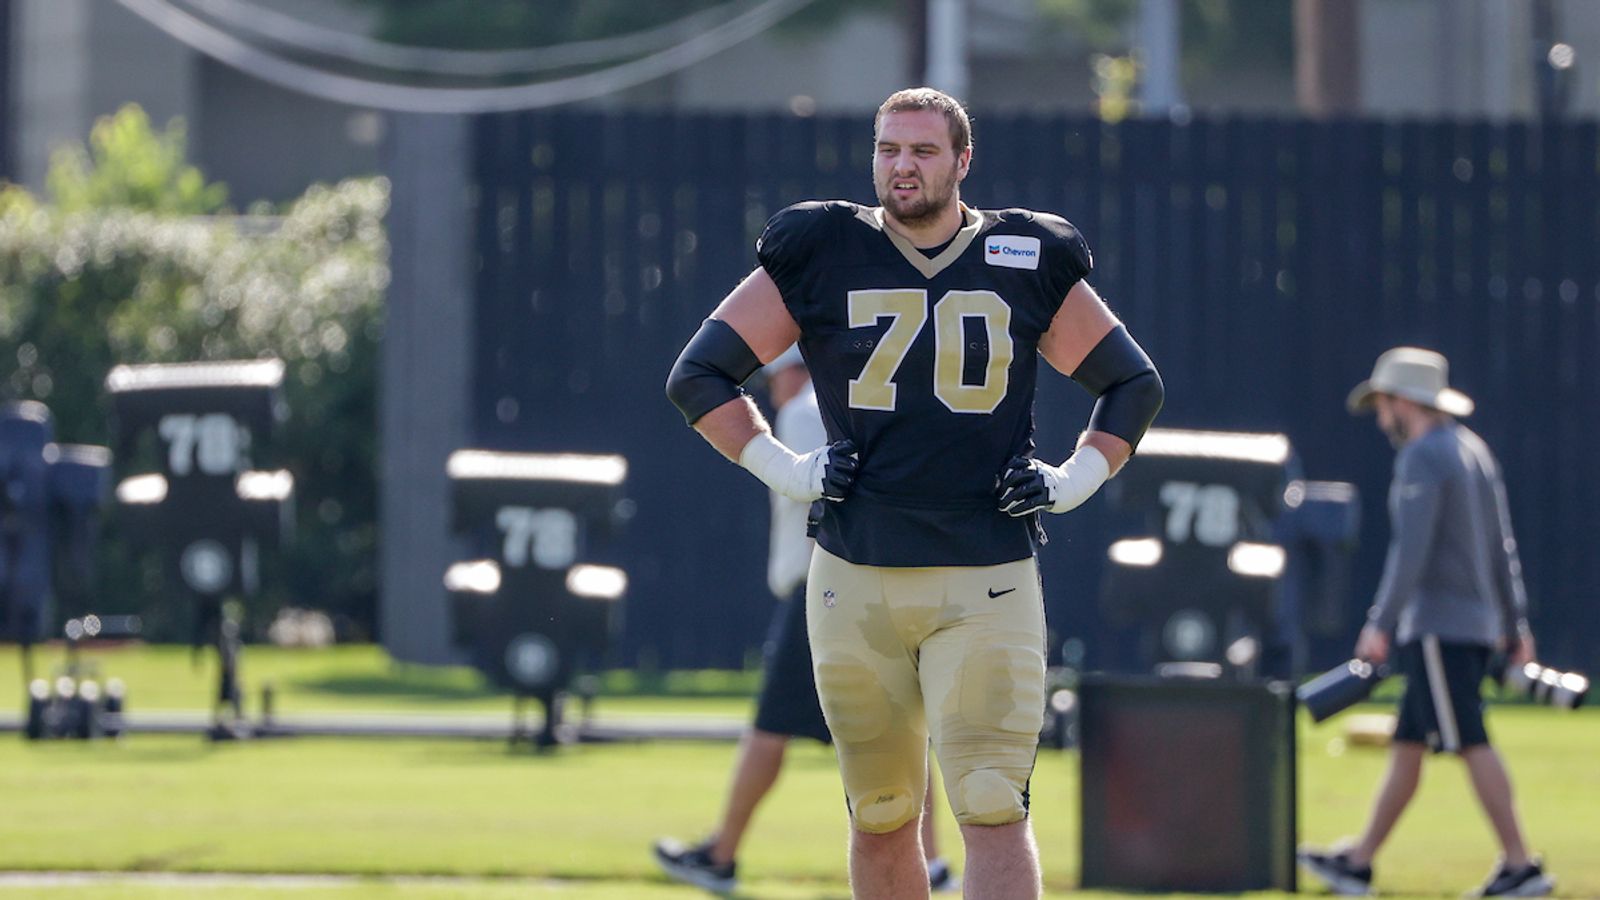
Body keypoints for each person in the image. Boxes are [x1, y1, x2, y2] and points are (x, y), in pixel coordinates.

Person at [665, 87, 1163, 899]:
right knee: (883, 811)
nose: (903, 166)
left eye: (924, 151)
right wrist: (785, 468)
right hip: (854, 573)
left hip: (987, 574)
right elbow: (698, 374)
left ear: (963, 162)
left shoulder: (1024, 256)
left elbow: (1132, 384)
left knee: (992, 804)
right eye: (889, 148)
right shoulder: (822, 246)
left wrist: (1074, 480)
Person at [653, 346, 958, 895]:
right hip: (878, 583)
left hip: (822, 586)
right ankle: (930, 862)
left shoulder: (805, 411)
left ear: (797, 369)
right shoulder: (878, 402)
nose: (773, 390)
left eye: (777, 377)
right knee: (906, 730)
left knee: (769, 730)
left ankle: (721, 854)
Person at [1298, 347, 1554, 898]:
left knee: (1471, 740)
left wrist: (1380, 622)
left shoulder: (1423, 457)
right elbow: (1501, 547)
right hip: (1471, 625)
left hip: (1439, 627)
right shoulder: (1472, 450)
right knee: (1408, 747)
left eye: (1384, 403)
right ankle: (1359, 862)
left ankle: (1520, 865)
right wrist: (1516, 624)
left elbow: (1409, 552)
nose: (1381, 416)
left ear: (1404, 401)